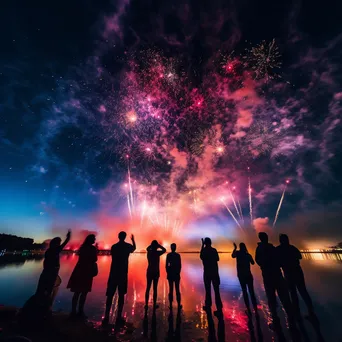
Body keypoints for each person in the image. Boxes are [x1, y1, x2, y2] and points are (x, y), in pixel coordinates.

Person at [255, 232, 299, 336]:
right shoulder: (273, 248)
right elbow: (279, 261)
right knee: (284, 297)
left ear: (260, 239)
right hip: (278, 275)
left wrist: (265, 264)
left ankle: (276, 321)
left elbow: (258, 261)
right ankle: (291, 321)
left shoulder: (260, 249)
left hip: (268, 276)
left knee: (271, 298)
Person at [277, 234, 315, 318]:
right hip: (297, 271)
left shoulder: (279, 249)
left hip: (288, 273)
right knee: (303, 291)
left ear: (280, 240)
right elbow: (300, 256)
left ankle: (297, 312)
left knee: (293, 292)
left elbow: (278, 262)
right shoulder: (292, 248)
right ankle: (311, 311)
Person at [102, 232, 136, 326]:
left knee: (110, 294)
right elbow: (134, 249)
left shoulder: (114, 246)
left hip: (113, 272)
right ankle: (119, 316)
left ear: (118, 237)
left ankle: (106, 316)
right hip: (123, 273)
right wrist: (133, 240)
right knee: (121, 295)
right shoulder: (127, 246)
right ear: (125, 237)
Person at [67, 234, 98, 319]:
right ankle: (80, 311)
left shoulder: (82, 247)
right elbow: (94, 259)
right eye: (94, 239)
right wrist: (96, 250)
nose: (94, 240)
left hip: (79, 270)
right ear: (90, 240)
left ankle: (73, 311)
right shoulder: (92, 248)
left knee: (77, 292)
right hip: (87, 272)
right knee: (84, 292)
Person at [36, 230, 71, 299]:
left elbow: (45, 263)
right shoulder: (56, 250)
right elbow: (65, 243)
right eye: (59, 242)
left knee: (42, 289)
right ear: (56, 243)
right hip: (52, 274)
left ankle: (39, 304)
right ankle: (46, 305)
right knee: (49, 289)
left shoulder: (49, 251)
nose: (60, 244)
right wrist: (68, 236)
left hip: (46, 272)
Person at [232, 242, 257, 315]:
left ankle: (248, 308)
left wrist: (235, 248)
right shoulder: (247, 255)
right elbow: (253, 263)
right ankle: (255, 308)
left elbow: (233, 256)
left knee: (244, 290)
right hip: (248, 275)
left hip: (241, 275)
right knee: (251, 291)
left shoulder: (238, 254)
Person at [200, 237, 223, 314]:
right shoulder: (214, 250)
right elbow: (217, 259)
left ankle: (208, 306)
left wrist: (202, 245)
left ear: (205, 243)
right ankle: (219, 309)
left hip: (207, 273)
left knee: (208, 290)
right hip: (215, 273)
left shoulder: (204, 251)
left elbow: (201, 257)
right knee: (217, 291)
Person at [145, 240, 166, 310]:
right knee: (155, 289)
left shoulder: (149, 252)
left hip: (149, 271)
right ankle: (154, 304)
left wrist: (152, 245)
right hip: (156, 272)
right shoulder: (157, 253)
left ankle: (146, 304)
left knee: (148, 288)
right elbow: (164, 250)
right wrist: (159, 245)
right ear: (156, 246)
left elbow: (147, 249)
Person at [166, 243, 182, 309]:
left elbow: (167, 265)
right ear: (175, 248)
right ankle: (178, 304)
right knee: (177, 289)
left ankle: (170, 304)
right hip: (176, 274)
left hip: (170, 274)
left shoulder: (169, 255)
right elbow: (180, 265)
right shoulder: (178, 255)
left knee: (171, 289)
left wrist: (168, 272)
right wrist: (178, 272)